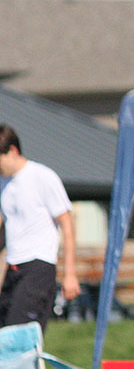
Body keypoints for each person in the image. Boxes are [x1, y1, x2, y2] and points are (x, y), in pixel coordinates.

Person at [0, 125, 80, 330]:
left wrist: (70, 273)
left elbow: (67, 223)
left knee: (18, 335)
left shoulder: (42, 177)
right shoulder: (4, 183)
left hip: (38, 267)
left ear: (13, 151)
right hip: (13, 268)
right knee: (4, 335)